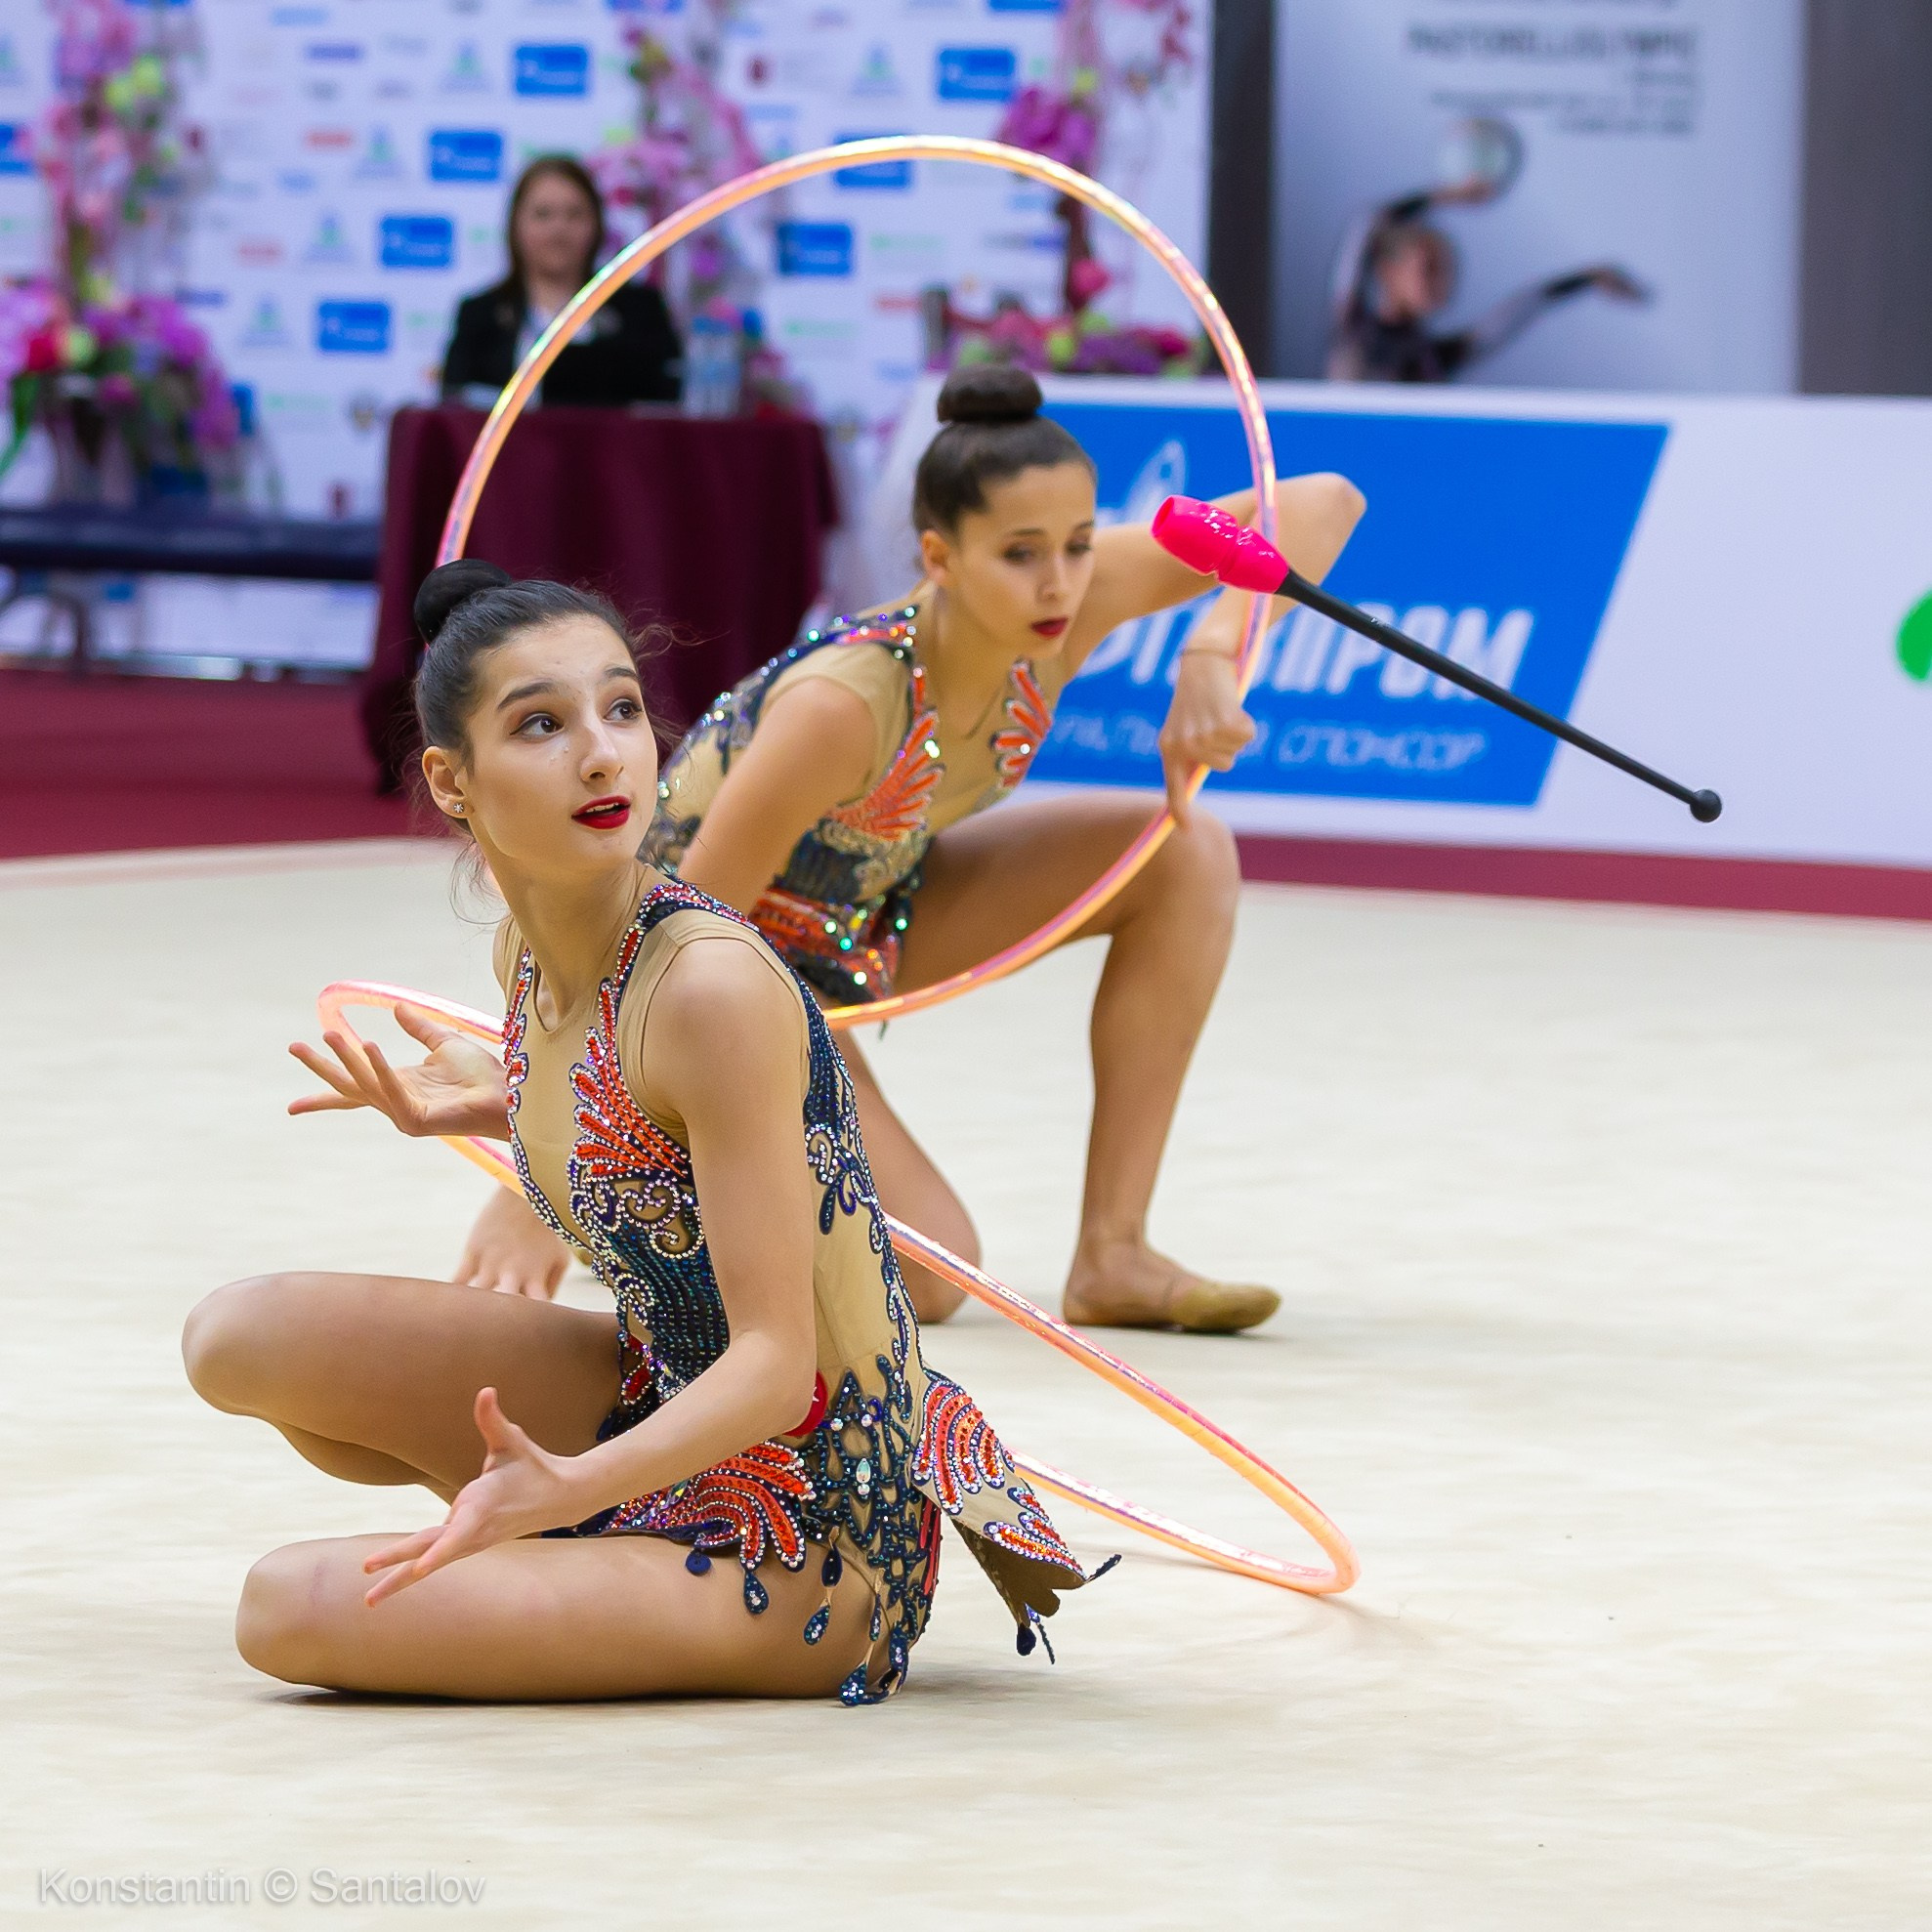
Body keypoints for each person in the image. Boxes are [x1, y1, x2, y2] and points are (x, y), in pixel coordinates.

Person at [180, 564, 1102, 1704]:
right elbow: (647, 1135)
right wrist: (493, 1095)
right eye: (541, 724)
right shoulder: (529, 955)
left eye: (620, 708)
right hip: (657, 1394)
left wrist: (564, 1486)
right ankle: (593, 1548)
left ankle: (596, 1546)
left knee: (287, 1605)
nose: (604, 752)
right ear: (451, 782)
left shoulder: (708, 988)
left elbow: (774, 1365)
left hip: (808, 1520)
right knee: (237, 1335)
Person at [455, 364, 1366, 1335]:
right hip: (723, 964)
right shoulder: (843, 705)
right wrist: (543, 1175)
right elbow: (673, 925)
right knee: (929, 1274)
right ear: (939, 556)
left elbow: (1318, 502)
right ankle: (659, 1198)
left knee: (1185, 854)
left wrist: (1211, 655)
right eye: (1020, 553)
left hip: (865, 915)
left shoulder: (1066, 604)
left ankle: (1113, 1252)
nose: (1058, 580)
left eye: (1074, 543)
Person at [1326, 173, 1646, 384]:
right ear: (1387, 270)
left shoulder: (1435, 357)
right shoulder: (1353, 326)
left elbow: (1518, 311)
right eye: (1428, 268)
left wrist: (1587, 279)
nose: (1441, 282)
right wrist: (1445, 195)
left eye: (1448, 270)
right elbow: (1367, 224)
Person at [441, 155, 681, 408]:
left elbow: (665, 404)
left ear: (597, 224)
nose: (559, 230)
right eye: (543, 215)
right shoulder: (481, 315)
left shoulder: (640, 311)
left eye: (574, 214)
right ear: (515, 225)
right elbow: (456, 409)